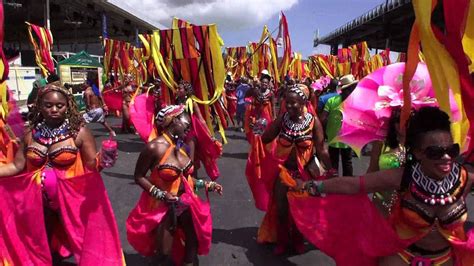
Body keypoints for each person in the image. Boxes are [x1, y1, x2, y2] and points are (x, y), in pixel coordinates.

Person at [297, 107, 474, 265]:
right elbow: (354, 185)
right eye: (435, 152)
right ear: (418, 152)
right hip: (400, 259)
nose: (446, 158)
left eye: (452, 150)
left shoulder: (464, 179)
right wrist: (311, 185)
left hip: (446, 260)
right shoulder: (405, 177)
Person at [0, 84, 124, 265]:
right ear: (40, 106)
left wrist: (104, 159)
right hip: (35, 199)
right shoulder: (30, 134)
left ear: (68, 106)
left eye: (60, 105)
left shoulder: (79, 133)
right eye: (48, 105)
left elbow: (92, 165)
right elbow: (17, 166)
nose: (54, 110)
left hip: (72, 200)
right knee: (39, 240)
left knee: (81, 240)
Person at [126, 105, 223, 265]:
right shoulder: (153, 148)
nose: (189, 126)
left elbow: (185, 180)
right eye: (185, 120)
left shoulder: (182, 147)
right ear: (174, 120)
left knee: (193, 243)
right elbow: (139, 177)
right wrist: (161, 195)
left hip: (185, 204)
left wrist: (207, 185)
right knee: (163, 254)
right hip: (162, 208)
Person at [253, 84, 332, 255]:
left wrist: (331, 170)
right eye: (287, 102)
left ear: (303, 101)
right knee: (282, 210)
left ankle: (297, 239)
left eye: (293, 103)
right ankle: (282, 241)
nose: (288, 106)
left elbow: (321, 148)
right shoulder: (283, 119)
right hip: (284, 172)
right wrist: (259, 128)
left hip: (305, 174)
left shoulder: (313, 121)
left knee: (300, 210)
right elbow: (266, 138)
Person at [175, 80, 222, 181]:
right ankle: (189, 178)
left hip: (190, 134)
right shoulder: (177, 100)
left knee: (190, 159)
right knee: (180, 155)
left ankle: (191, 180)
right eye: (177, 88)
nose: (177, 90)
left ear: (186, 91)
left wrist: (209, 135)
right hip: (180, 134)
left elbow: (201, 119)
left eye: (180, 88)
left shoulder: (192, 102)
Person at [367, 106, 406, 216]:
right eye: (399, 120)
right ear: (393, 123)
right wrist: (360, 194)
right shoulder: (381, 143)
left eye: (407, 120)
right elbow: (372, 170)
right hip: (380, 205)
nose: (403, 125)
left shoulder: (419, 147)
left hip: (408, 210)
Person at [320, 74, 358, 176]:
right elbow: (322, 118)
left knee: (346, 162)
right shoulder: (332, 101)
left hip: (348, 139)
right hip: (333, 139)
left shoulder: (355, 102)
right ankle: (336, 185)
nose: (354, 91)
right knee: (338, 164)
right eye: (351, 89)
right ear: (345, 90)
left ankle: (345, 184)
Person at [82, 72, 116, 136]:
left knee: (81, 120)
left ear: (87, 84)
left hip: (94, 110)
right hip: (99, 110)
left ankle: (84, 135)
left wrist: (87, 108)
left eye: (84, 83)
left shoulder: (87, 92)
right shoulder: (95, 90)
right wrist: (104, 105)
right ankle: (112, 132)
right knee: (103, 122)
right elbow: (101, 97)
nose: (83, 84)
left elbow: (88, 103)